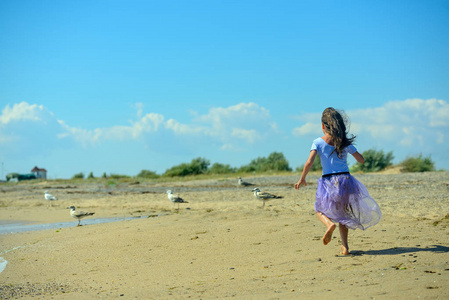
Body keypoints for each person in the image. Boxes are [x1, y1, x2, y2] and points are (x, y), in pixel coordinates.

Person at [294, 107, 381, 255]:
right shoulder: (344, 142)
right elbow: (361, 160)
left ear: (323, 126)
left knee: (319, 209)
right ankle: (345, 247)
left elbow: (309, 162)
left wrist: (302, 178)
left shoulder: (318, 142)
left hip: (329, 181)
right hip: (346, 180)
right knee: (343, 214)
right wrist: (353, 151)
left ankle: (328, 224)